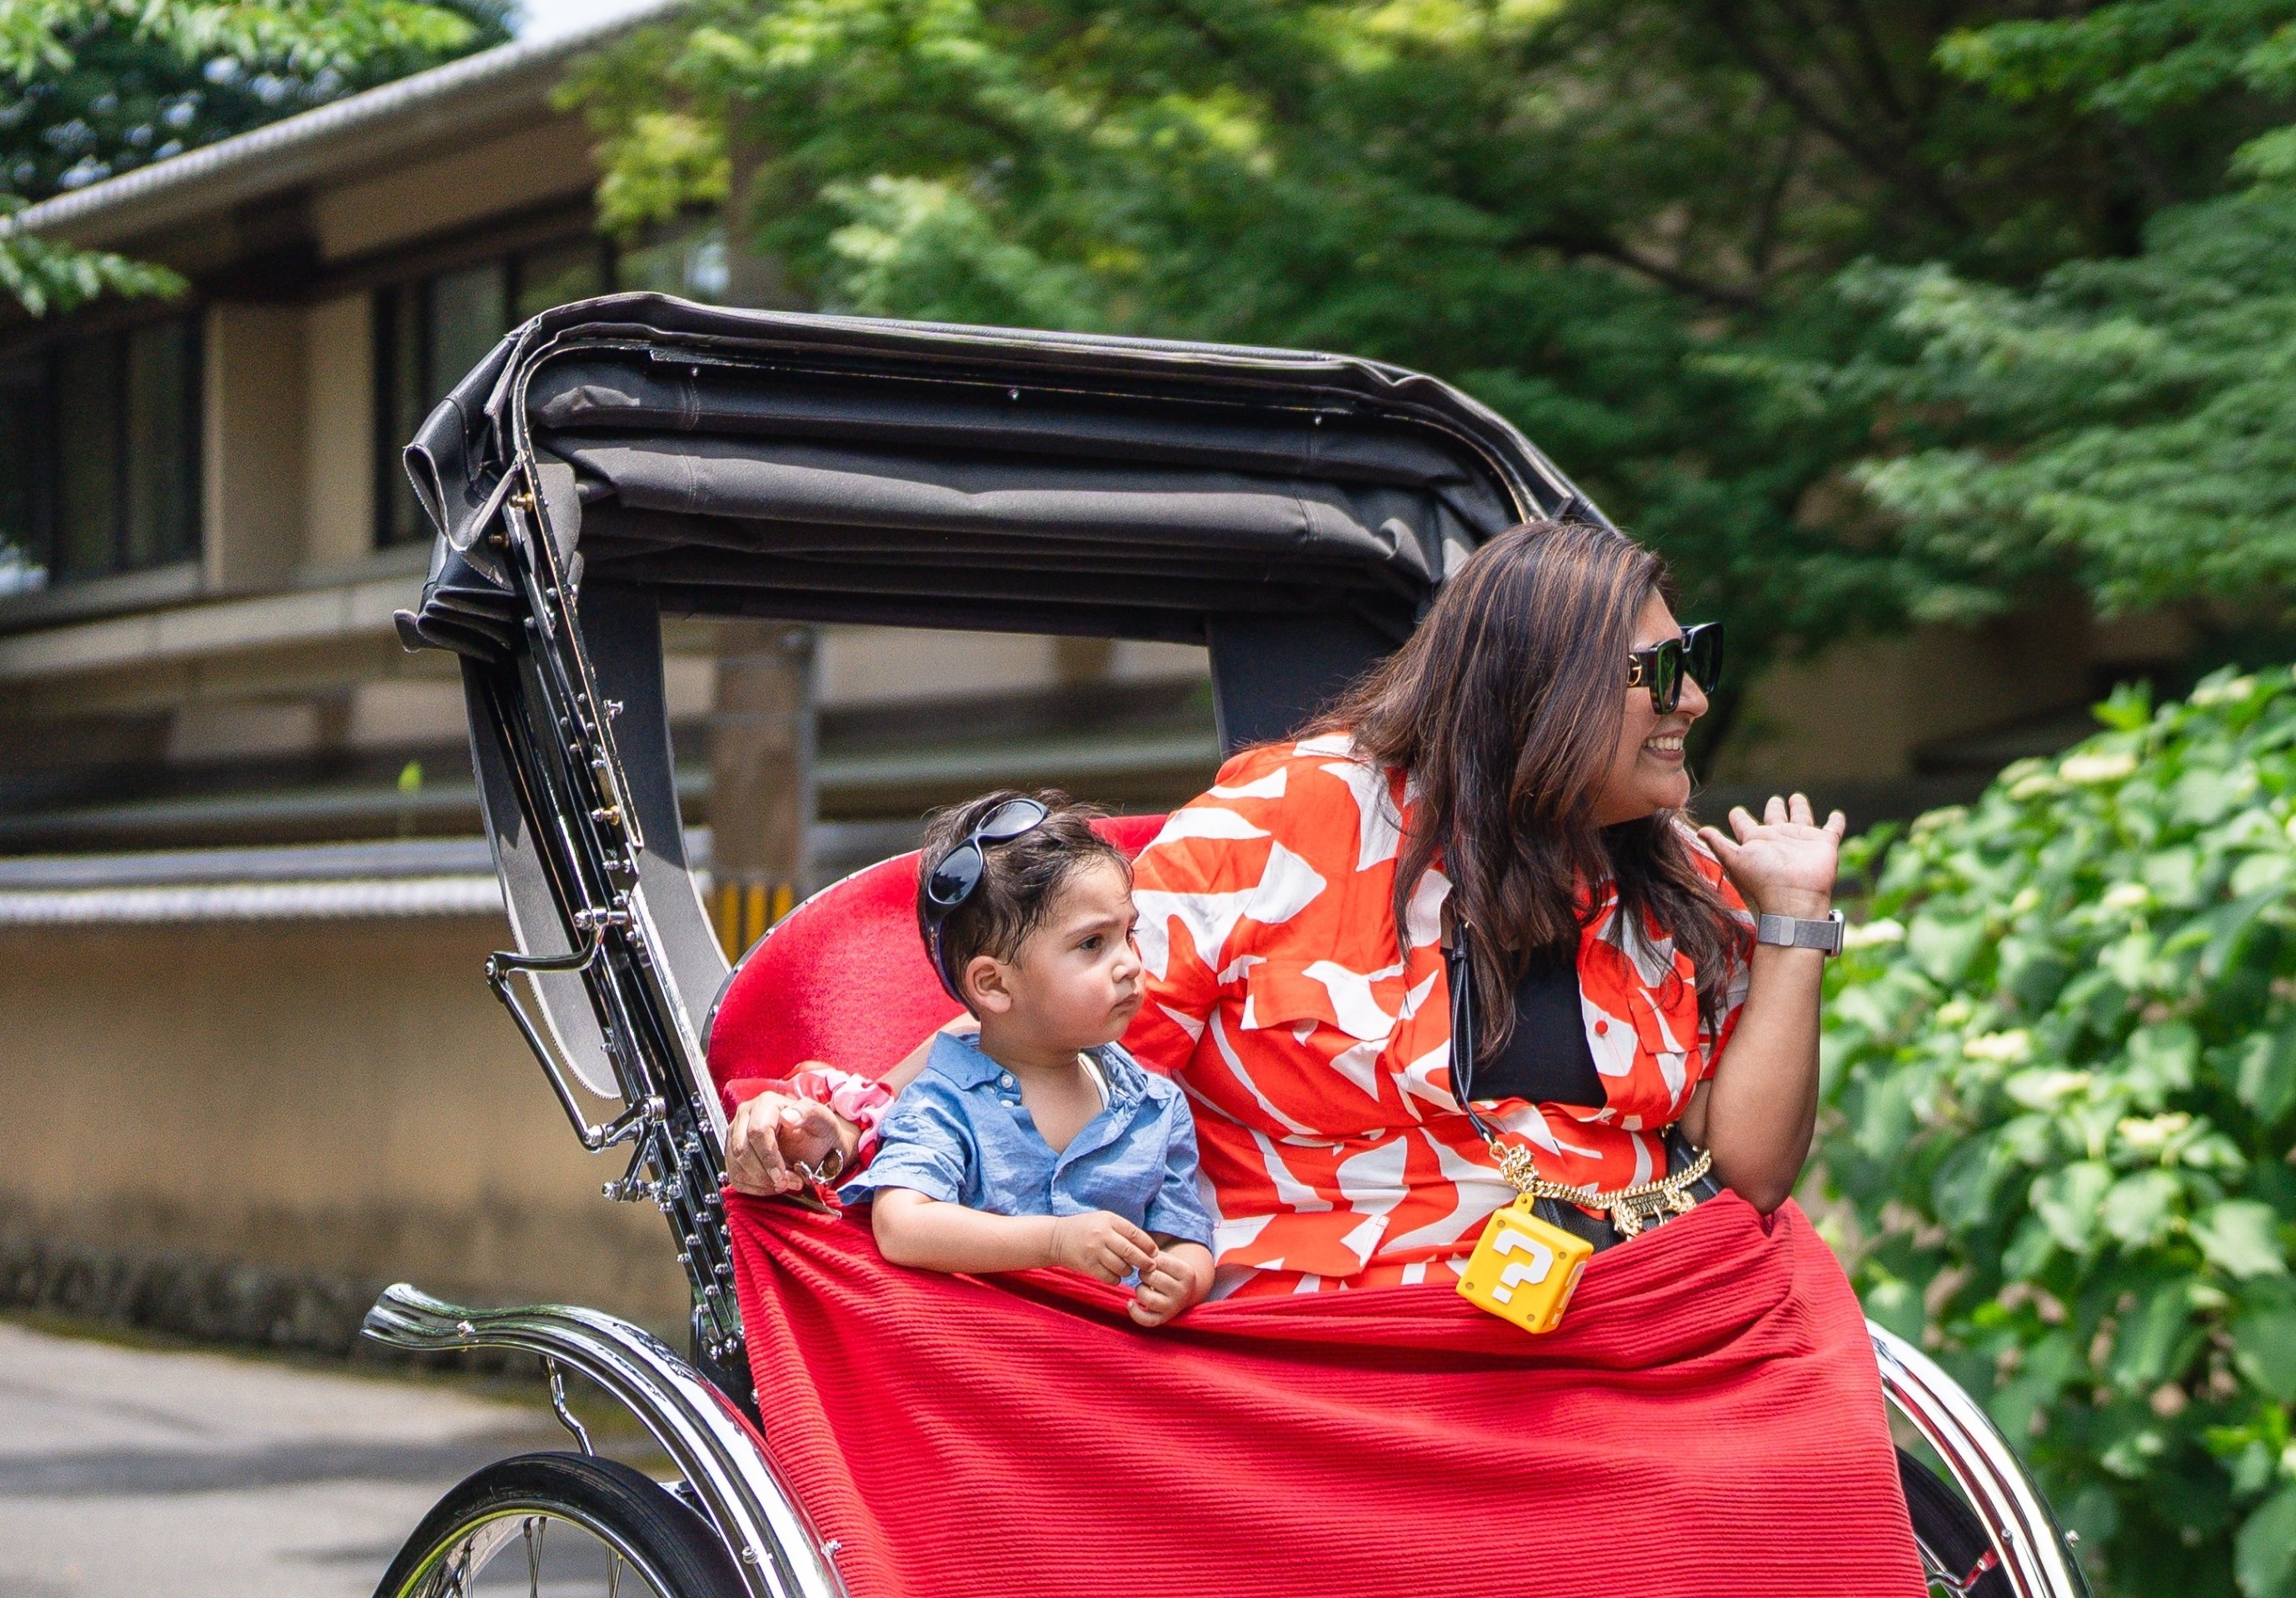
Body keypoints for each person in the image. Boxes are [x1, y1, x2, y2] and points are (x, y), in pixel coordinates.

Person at [727, 519, 1856, 1306]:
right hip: (1333, 1350)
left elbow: (1753, 1173)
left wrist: (1796, 919)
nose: (1692, 699)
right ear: (1538, 692)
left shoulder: (1670, 878)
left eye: (1693, 662)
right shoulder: (1284, 828)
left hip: (1631, 1316)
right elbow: (1034, 1042)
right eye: (1656, 672)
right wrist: (842, 1125)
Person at [839, 789, 1220, 1328]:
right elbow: (901, 1226)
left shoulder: (1156, 1105)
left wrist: (1185, 1278)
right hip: (994, 1360)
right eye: (1092, 944)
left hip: (1117, 1362)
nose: (1130, 964)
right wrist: (1055, 1241)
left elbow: (1183, 1235)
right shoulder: (942, 1104)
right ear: (994, 984)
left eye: (1127, 934)